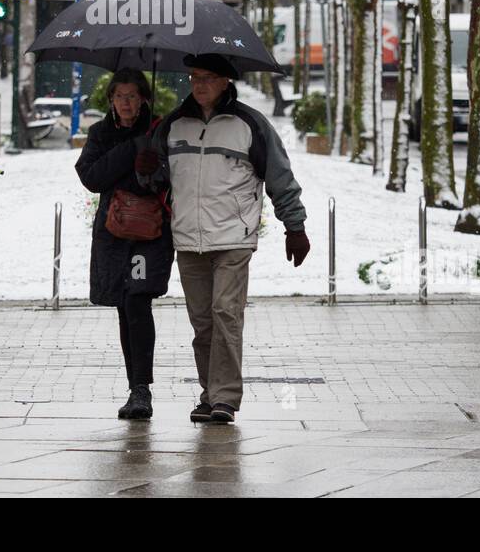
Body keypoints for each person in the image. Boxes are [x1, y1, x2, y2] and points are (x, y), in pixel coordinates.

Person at [138, 53, 309, 425]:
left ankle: (225, 398)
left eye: (208, 78)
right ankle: (209, 393)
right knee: (203, 322)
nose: (199, 85)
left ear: (226, 81)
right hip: (188, 238)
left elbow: (280, 176)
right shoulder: (173, 125)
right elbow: (158, 183)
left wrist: (294, 227)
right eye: (194, 77)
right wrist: (149, 170)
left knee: (225, 314)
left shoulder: (250, 124)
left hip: (234, 237)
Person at [74, 68, 173, 421]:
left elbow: (169, 178)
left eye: (133, 96)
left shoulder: (160, 131)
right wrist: (130, 150)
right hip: (114, 234)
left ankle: (142, 389)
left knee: (137, 301)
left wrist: (152, 166)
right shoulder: (101, 133)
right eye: (120, 96)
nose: (127, 103)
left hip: (150, 233)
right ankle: (135, 387)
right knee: (123, 305)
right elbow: (91, 176)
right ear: (111, 100)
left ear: (144, 98)